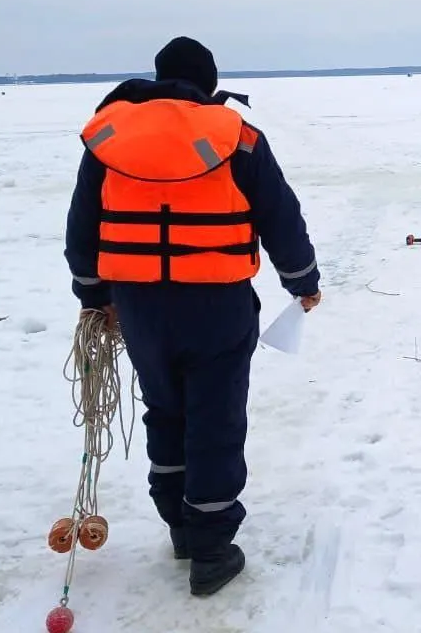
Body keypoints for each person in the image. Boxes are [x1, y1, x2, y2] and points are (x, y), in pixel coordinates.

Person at [63, 36, 322, 596]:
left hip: (138, 307)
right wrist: (303, 280)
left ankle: (181, 527)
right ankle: (210, 548)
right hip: (217, 305)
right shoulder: (239, 137)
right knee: (215, 419)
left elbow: (83, 224)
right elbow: (280, 214)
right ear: (209, 84)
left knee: (167, 411)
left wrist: (93, 296)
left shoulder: (109, 138)